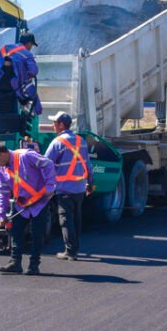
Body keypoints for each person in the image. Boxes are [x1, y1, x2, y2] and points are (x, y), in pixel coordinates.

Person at [0, 140, 56, 275]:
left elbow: (48, 164)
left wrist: (50, 185)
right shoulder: (2, 170)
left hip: (39, 201)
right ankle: (15, 262)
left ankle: (34, 265)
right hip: (22, 204)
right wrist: (2, 214)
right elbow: (3, 192)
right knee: (15, 231)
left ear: (1, 154)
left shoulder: (26, 156)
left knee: (37, 234)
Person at [44, 111, 92, 260]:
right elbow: (88, 164)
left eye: (54, 123)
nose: (53, 125)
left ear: (60, 125)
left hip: (64, 188)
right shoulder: (81, 141)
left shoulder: (57, 142)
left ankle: (70, 252)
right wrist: (90, 183)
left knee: (66, 220)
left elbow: (45, 164)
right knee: (76, 218)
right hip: (79, 188)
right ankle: (75, 248)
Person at [0, 32, 42, 135]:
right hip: (13, 89)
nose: (31, 48)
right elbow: (34, 71)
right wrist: (25, 74)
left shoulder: (4, 48)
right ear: (28, 43)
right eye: (31, 45)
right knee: (29, 91)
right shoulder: (26, 53)